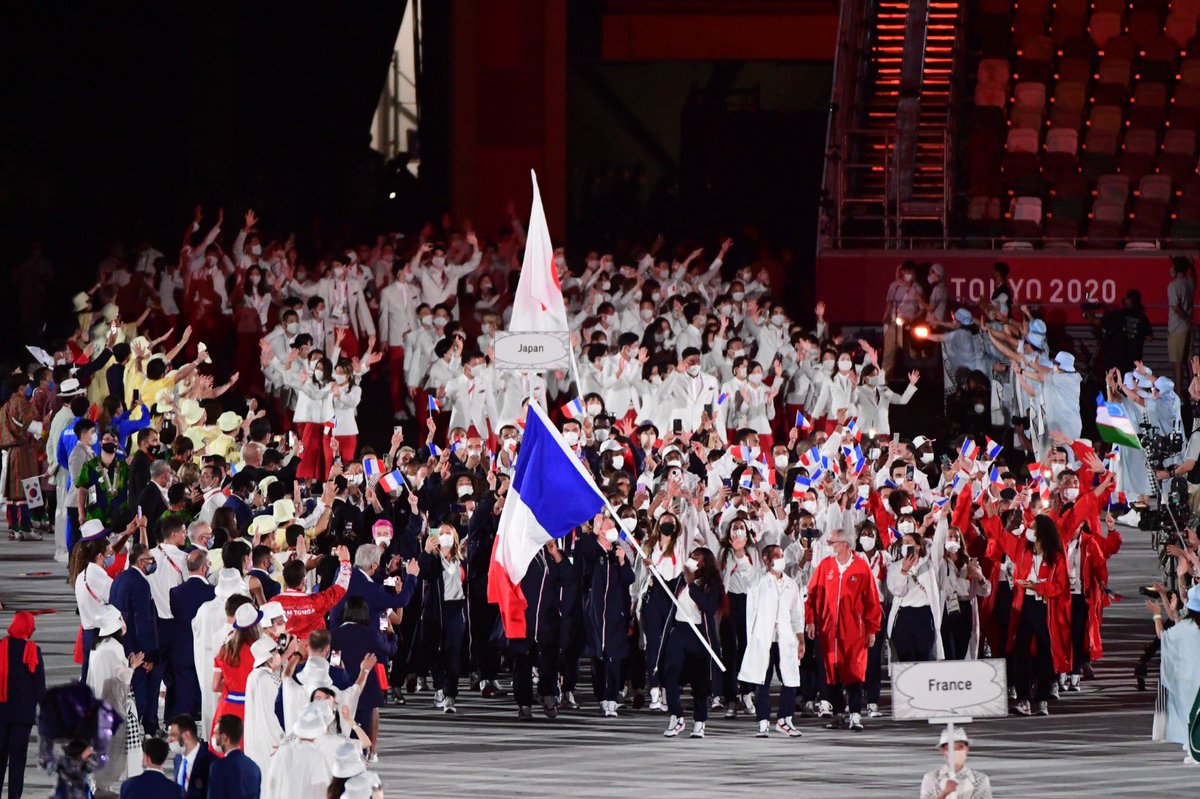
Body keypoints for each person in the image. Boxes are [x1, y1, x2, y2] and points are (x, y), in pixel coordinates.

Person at [807, 527, 883, 732]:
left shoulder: (861, 567)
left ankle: (856, 715)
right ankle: (838, 713)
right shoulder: (825, 566)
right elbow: (812, 594)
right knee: (832, 673)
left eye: (832, 542)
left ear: (844, 544)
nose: (829, 546)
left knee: (854, 673)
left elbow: (871, 600)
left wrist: (871, 629)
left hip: (853, 632)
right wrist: (811, 620)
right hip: (829, 630)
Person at [739, 543, 805, 738]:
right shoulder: (758, 581)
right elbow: (745, 570)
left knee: (790, 679)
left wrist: (800, 639)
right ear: (766, 559)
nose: (780, 558)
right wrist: (739, 552)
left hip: (785, 638)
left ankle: (785, 720)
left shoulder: (791, 584)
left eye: (781, 554)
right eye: (776, 555)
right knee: (763, 681)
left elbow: (796, 615)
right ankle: (763, 721)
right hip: (764, 639)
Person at [661, 547, 723, 739]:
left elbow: (709, 606)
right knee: (670, 674)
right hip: (679, 631)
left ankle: (699, 721)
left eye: (697, 557)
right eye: (691, 556)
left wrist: (692, 585)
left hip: (699, 634)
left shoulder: (711, 582)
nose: (692, 559)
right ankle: (676, 716)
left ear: (705, 562)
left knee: (699, 682)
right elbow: (668, 589)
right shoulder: (682, 578)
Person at [109, 542, 163, 736]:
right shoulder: (140, 583)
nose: (152, 563)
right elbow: (143, 621)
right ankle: (132, 734)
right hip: (137, 650)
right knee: (140, 695)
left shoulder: (120, 579)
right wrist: (148, 656)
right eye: (150, 559)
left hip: (122, 645)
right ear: (141, 562)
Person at [0, 611, 45, 799]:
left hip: (1, 716)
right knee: (17, 763)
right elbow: (40, 688)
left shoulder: (1, 647)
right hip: (22, 719)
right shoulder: (32, 650)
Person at [919, 727, 994, 798]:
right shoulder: (931, 778)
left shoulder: (980, 779)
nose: (955, 752)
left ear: (967, 749)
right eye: (950, 748)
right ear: (942, 751)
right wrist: (944, 793)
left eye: (960, 747)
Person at [206, 715, 261, 799]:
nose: (213, 738)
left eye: (216, 733)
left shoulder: (218, 767)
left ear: (225, 738)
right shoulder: (254, 767)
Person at [166, 715, 216, 799]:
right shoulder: (177, 759)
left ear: (186, 735)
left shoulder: (211, 763)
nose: (168, 740)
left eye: (173, 735)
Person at [1168, 255, 1195, 391]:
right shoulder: (1189, 283)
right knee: (1190, 363)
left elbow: (1175, 307)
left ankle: (1178, 394)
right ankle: (1194, 393)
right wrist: (1192, 265)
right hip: (1189, 329)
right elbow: (1194, 278)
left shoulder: (1173, 286)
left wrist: (1186, 318)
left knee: (1177, 365)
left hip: (1177, 329)